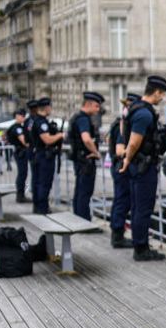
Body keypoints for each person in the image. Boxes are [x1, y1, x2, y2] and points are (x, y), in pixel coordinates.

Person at [121, 75, 166, 262]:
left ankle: (139, 245)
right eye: (162, 94)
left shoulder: (135, 108)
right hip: (143, 166)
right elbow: (133, 142)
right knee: (143, 208)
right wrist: (127, 159)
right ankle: (141, 248)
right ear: (156, 92)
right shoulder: (144, 113)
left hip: (138, 165)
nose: (162, 98)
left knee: (137, 207)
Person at [108, 93, 139, 248]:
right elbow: (120, 150)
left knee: (120, 200)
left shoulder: (119, 123)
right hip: (122, 167)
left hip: (118, 167)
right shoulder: (123, 124)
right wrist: (134, 149)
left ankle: (116, 233)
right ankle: (117, 236)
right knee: (122, 201)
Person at [68, 92, 104, 220]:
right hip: (85, 160)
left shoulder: (77, 117)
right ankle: (83, 220)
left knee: (80, 190)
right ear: (88, 104)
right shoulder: (83, 119)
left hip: (80, 159)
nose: (98, 110)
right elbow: (87, 139)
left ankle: (78, 218)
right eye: (96, 106)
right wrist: (96, 153)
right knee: (85, 191)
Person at [31, 97, 64, 215]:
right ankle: (42, 208)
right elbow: (47, 139)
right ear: (46, 108)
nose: (51, 109)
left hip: (41, 155)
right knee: (44, 183)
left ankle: (40, 206)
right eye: (50, 106)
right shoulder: (41, 122)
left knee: (40, 182)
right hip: (44, 156)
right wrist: (59, 136)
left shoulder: (40, 121)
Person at [6, 108, 31, 203]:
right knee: (22, 174)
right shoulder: (17, 128)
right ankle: (20, 196)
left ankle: (21, 195)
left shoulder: (18, 127)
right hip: (21, 152)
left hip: (20, 152)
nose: (24, 117)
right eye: (22, 115)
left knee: (23, 173)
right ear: (17, 116)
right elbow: (24, 142)